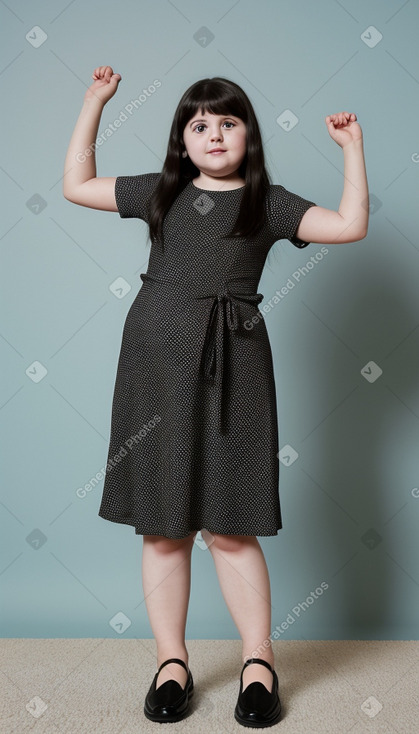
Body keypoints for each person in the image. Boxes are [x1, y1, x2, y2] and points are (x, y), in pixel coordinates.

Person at [63, 66, 369, 727]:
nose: (214, 133)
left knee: (229, 525)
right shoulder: (161, 191)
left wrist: (351, 152)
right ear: (180, 140)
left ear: (248, 136)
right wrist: (94, 103)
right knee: (163, 526)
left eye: (228, 122)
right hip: (152, 363)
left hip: (236, 364)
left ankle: (258, 663)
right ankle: (170, 662)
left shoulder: (268, 201)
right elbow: (75, 185)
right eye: (199, 124)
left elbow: (348, 227)